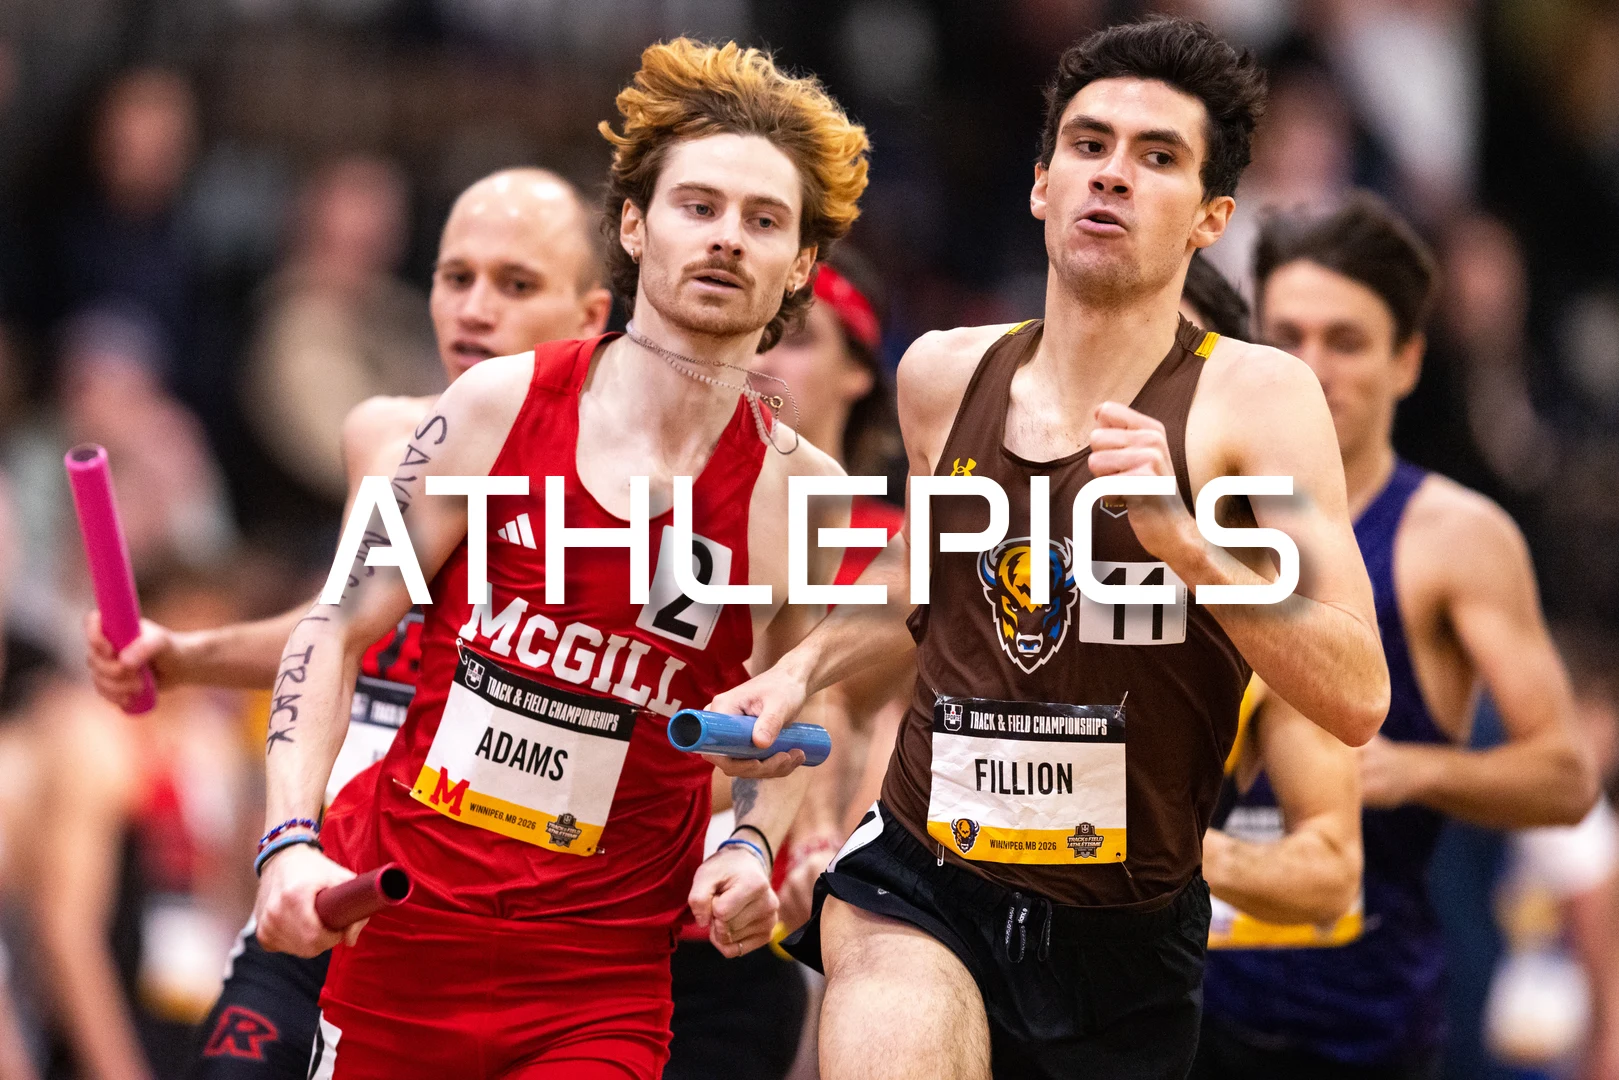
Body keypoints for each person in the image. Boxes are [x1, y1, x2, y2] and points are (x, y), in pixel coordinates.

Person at [712, 17, 1390, 1080]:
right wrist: (801, 670)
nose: (1111, 173)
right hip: (922, 881)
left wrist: (1186, 544)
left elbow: (1354, 693)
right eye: (1087, 144)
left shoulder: (1256, 401)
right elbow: (919, 576)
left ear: (1210, 216)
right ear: (1040, 185)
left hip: (1125, 936)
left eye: (1155, 156)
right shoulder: (943, 375)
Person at [253, 39, 867, 1079]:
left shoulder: (801, 493)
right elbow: (336, 624)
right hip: (404, 944)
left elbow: (783, 721)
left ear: (801, 264)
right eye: (698, 206)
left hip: (599, 993)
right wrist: (287, 840)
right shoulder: (492, 406)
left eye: (764, 220)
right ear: (632, 225)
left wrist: (749, 846)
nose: (727, 237)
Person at [84, 165, 611, 1080]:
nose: (473, 309)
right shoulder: (389, 438)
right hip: (328, 885)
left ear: (589, 316)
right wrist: (187, 655)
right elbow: (345, 627)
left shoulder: (625, 495)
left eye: (516, 284)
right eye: (455, 277)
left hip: (492, 933)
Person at [1193, 193, 1599, 1079]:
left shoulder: (1452, 536)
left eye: (1344, 341)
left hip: (1355, 1022)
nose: (1311, 367)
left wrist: (1408, 769)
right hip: (1182, 1006)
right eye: (1287, 337)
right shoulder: (1193, 515)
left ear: (1406, 361)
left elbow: (1566, 778)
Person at [663, 246, 904, 1080]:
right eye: (758, 334)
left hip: (809, 918)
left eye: (796, 339)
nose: (765, 357)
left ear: (859, 372)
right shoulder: (679, 521)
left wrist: (826, 847)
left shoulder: (898, 550)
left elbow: (875, 715)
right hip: (652, 893)